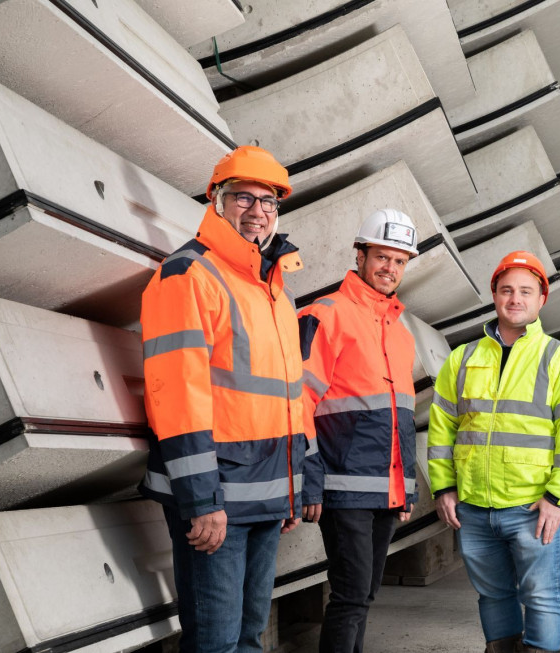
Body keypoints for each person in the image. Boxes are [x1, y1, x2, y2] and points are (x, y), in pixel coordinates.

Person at [139, 146, 306, 652]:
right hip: (217, 498)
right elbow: (177, 396)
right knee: (215, 643)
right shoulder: (189, 275)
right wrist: (202, 501)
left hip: (264, 491)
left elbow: (288, 395)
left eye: (269, 202)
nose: (258, 212)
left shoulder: (272, 287)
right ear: (216, 200)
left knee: (249, 637)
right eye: (244, 198)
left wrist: (293, 483)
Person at [428, 251, 560, 653]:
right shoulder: (463, 358)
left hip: (534, 508)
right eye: (507, 290)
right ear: (494, 296)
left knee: (541, 594)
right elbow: (442, 427)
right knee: (493, 595)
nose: (515, 298)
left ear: (541, 300)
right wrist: (443, 487)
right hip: (475, 507)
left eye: (525, 291)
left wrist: (558, 498)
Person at [299, 208, 420, 653]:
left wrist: (405, 488)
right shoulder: (326, 314)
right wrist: (309, 481)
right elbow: (299, 405)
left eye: (400, 261)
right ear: (361, 254)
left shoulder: (400, 332)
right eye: (382, 257)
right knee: (351, 595)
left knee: (365, 595)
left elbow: (400, 417)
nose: (390, 268)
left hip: (385, 490)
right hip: (343, 486)